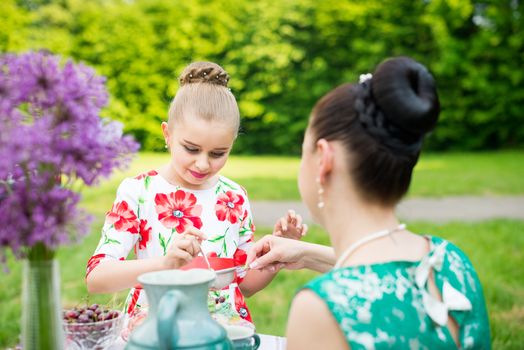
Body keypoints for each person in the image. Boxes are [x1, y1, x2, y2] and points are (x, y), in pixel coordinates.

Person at [247, 57, 490, 349]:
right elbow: (389, 273)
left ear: (323, 159)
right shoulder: (451, 262)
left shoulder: (321, 308)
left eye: (303, 151)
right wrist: (307, 254)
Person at [85, 61, 306, 328]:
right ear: (167, 134)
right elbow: (97, 278)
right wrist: (166, 263)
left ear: (232, 143)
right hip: (156, 330)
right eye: (191, 149)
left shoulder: (233, 196)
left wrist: (276, 256)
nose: (203, 164)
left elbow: (244, 284)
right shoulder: (139, 191)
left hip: (225, 332)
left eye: (218, 153)